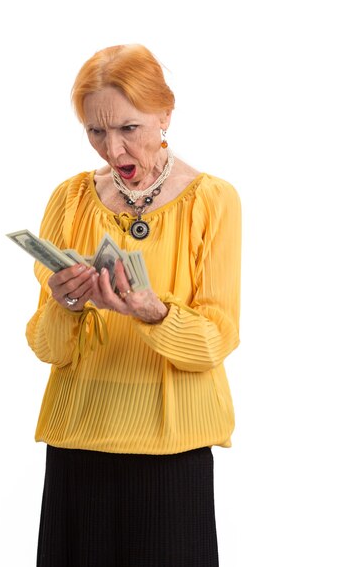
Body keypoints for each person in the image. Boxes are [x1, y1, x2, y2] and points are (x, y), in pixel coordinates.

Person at [26, 44, 241, 567]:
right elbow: (46, 346)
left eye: (129, 128)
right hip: (80, 441)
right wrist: (65, 305)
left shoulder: (213, 201)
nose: (113, 148)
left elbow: (217, 338)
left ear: (166, 113)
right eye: (96, 132)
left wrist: (155, 314)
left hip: (171, 451)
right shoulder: (70, 199)